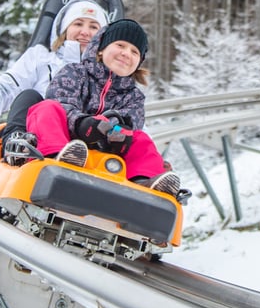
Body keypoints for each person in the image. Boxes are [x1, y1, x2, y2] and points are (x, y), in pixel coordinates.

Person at [21, 19, 182, 197]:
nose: (126, 53)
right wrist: (82, 123)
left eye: (134, 52)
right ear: (100, 48)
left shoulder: (134, 97)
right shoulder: (74, 72)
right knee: (46, 108)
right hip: (66, 139)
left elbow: (132, 122)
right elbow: (61, 100)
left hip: (106, 154)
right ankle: (54, 157)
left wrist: (117, 133)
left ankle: (145, 181)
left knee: (141, 138)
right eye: (120, 45)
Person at [0, 0, 108, 161]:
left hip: (84, 140)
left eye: (94, 27)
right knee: (30, 96)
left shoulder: (106, 74)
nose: (85, 32)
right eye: (78, 24)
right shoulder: (41, 58)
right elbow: (9, 84)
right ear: (64, 29)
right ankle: (16, 144)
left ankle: (75, 160)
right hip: (35, 135)